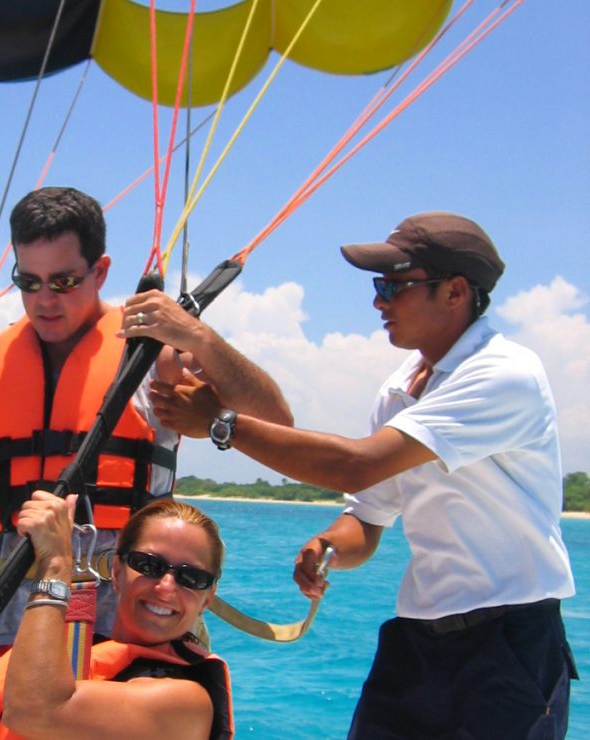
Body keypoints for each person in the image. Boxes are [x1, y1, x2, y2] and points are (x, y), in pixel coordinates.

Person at [127, 211, 578, 738]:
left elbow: (355, 463)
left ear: (456, 292)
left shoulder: (504, 374)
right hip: (418, 638)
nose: (378, 301)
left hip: (510, 644)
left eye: (394, 285)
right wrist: (330, 544)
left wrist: (221, 425)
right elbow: (368, 514)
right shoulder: (400, 389)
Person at [0, 186, 291, 658]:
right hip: (7, 616)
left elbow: (277, 424)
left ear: (100, 271)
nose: (44, 300)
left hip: (126, 615)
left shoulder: (151, 353)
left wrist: (201, 339)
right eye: (29, 282)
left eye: (62, 281)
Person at [0, 493, 233, 739]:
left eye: (192, 578)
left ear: (206, 599)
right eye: (149, 565)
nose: (166, 587)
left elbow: (33, 713)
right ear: (116, 571)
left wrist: (55, 566)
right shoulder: (74, 659)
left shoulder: (186, 702)